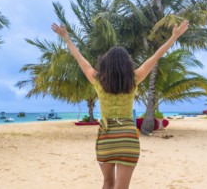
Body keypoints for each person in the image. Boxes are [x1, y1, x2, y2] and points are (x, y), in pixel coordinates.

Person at [52, 20, 189, 189]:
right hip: (127, 138)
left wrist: (66, 38)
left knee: (107, 183)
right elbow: (155, 57)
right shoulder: (134, 78)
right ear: (127, 63)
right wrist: (174, 37)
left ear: (105, 62)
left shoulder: (97, 80)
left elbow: (80, 58)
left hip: (106, 137)